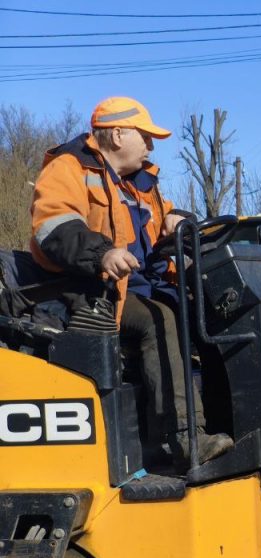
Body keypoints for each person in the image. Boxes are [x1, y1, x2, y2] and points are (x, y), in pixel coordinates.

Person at [28, 96, 233, 467]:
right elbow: (53, 226)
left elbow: (168, 215)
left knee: (209, 310)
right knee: (161, 320)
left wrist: (178, 220)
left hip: (136, 288)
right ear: (119, 134)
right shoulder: (69, 168)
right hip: (87, 291)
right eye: (146, 136)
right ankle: (184, 438)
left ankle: (229, 420)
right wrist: (102, 254)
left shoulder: (140, 186)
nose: (152, 146)